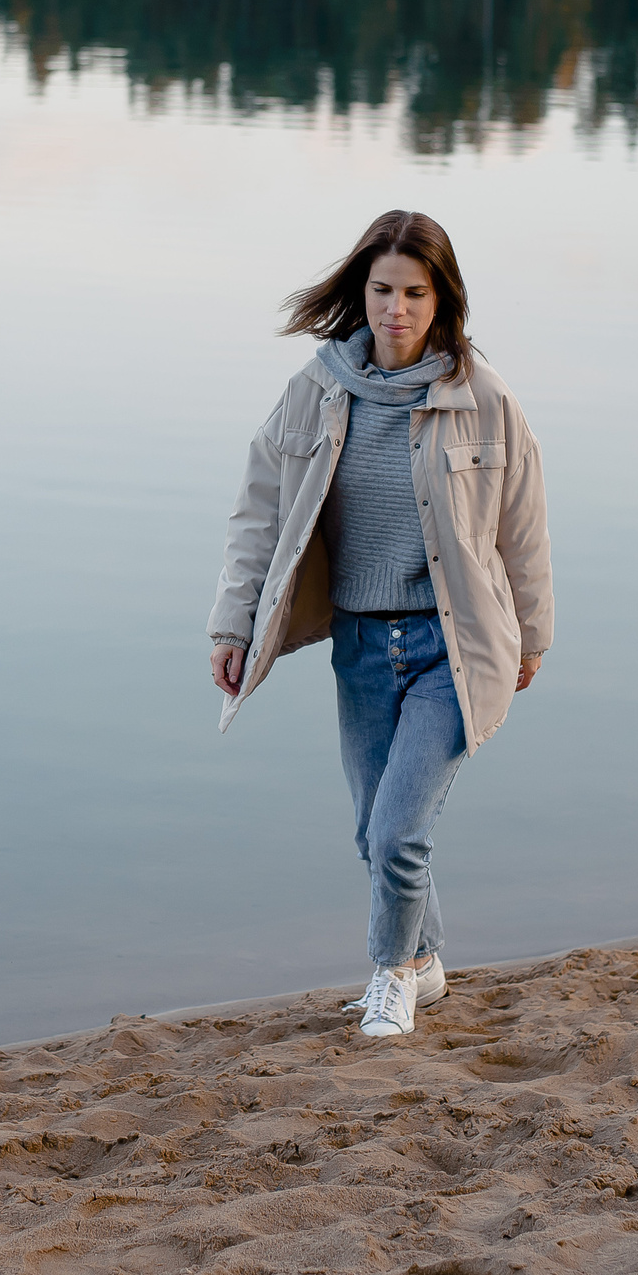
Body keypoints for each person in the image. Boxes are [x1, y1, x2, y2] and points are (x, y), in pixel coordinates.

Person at [207, 210, 553, 1040]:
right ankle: (425, 961)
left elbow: (523, 525)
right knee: (376, 834)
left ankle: (389, 977)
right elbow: (260, 513)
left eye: (414, 293)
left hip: (453, 646)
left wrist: (533, 637)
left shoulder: (483, 398)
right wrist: (233, 623)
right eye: (383, 290)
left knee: (400, 828)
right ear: (361, 292)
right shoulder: (317, 390)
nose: (396, 309)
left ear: (442, 301)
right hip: (361, 647)